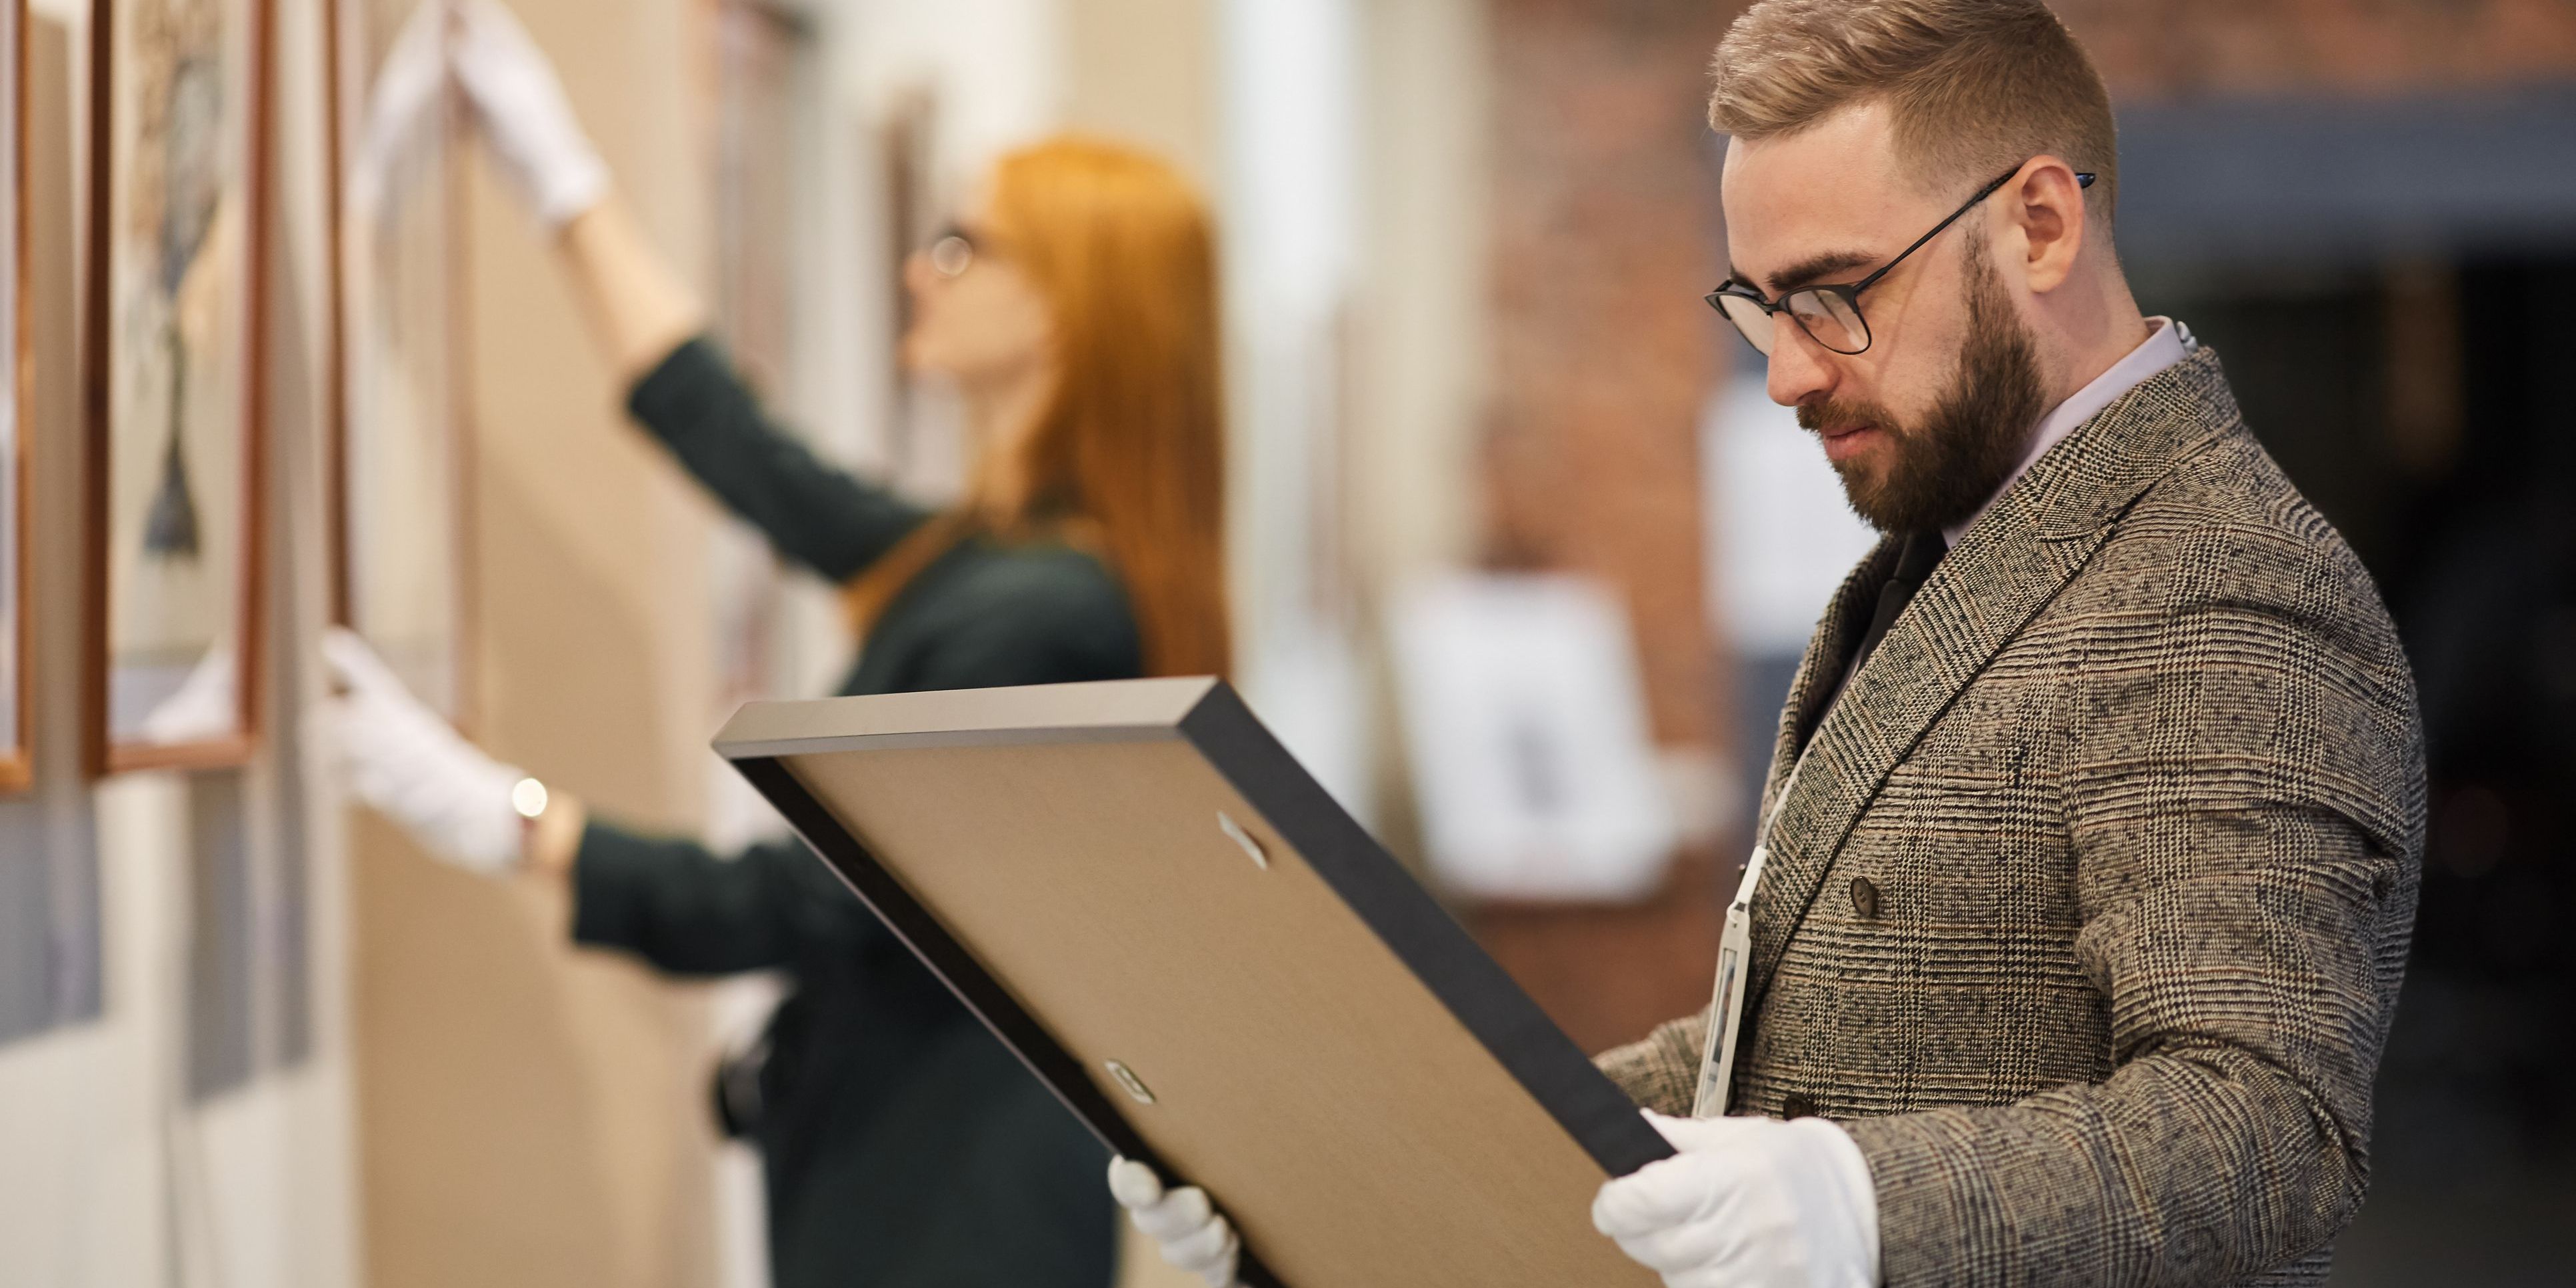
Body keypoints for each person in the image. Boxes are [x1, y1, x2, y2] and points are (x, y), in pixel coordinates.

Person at [1116, 1, 2423, 1285]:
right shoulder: (1957, 549)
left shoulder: (2220, 590)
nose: (1788, 375)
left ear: (2040, 224)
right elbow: (1785, 1051)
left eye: (1837, 295)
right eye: (1763, 307)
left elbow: (2263, 1136)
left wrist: (1862, 1205)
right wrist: (1359, 1173)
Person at [324, 5, 1228, 1287]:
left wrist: (488, 804)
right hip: (921, 1187)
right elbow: (742, 448)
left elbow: (793, 907)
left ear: (1067, 312)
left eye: (966, 245)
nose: (923, 268)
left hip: (949, 1221)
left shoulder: (1048, 614)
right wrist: (559, 178)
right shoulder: (987, 562)